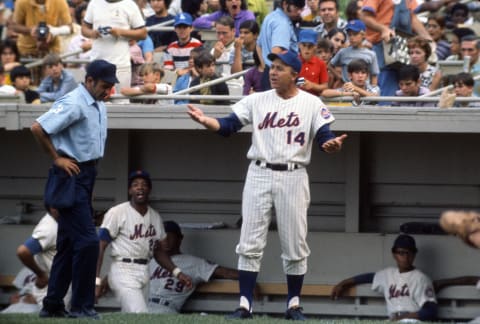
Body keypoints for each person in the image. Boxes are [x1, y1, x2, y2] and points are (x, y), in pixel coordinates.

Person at [187, 50, 347, 320]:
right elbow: (228, 126)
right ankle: (244, 305)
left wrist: (330, 145)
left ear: (294, 74)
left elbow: (324, 134)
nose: (273, 72)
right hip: (259, 172)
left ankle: (294, 305)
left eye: (280, 68)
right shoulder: (257, 99)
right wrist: (207, 122)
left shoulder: (310, 102)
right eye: (272, 67)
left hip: (294, 175)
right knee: (249, 242)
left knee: (295, 245)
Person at [30, 59, 118, 319]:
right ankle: (81, 306)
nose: (108, 91)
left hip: (86, 174)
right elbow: (38, 127)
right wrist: (57, 158)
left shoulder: (98, 103)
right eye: (104, 86)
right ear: (89, 80)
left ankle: (53, 304)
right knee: (89, 242)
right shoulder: (74, 102)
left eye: (111, 87)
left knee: (68, 244)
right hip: (70, 175)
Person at [95, 170, 192, 313]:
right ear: (130, 190)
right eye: (135, 185)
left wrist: (177, 273)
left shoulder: (155, 217)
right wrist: (96, 281)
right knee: (140, 314)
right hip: (123, 269)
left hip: (145, 271)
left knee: (132, 316)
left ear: (149, 190)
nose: (140, 187)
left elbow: (158, 252)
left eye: (144, 185)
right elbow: (100, 245)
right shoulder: (117, 212)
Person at [331, 234, 438, 321]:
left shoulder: (421, 279)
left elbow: (430, 311)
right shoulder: (387, 274)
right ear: (394, 254)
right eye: (401, 253)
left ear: (414, 254)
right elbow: (369, 277)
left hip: (412, 320)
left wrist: (403, 317)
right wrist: (343, 283)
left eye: (409, 253)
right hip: (393, 319)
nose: (405, 257)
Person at [148, 220, 239, 313]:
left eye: (169, 236)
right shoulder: (151, 261)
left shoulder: (193, 262)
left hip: (165, 308)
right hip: (142, 306)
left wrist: (248, 280)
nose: (165, 240)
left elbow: (226, 273)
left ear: (180, 238)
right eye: (162, 237)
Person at [360, 0, 433, 98]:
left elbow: (412, 17)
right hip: (383, 49)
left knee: (406, 85)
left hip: (403, 49)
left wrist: (428, 38)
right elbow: (365, 16)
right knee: (386, 89)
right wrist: (383, 29)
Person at [81, 0, 147, 103]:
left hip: (120, 65)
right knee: (93, 102)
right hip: (96, 63)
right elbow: (84, 28)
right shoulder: (94, 3)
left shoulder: (129, 4)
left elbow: (143, 33)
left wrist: (120, 32)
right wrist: (92, 33)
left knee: (121, 103)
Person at [256, 0, 305, 90]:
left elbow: (259, 46)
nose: (299, 12)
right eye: (296, 8)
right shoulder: (283, 24)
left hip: (269, 73)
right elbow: (277, 52)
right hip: (281, 78)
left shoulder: (270, 17)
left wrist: (266, 68)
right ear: (285, 4)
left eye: (301, 9)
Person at [329, 19, 379, 86]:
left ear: (363, 35)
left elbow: (374, 75)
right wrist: (340, 77)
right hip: (346, 90)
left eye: (355, 34)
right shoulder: (343, 52)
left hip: (364, 91)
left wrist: (373, 89)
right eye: (349, 35)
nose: (351, 37)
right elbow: (330, 65)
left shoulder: (371, 54)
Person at [297, 28, 328, 96]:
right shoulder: (293, 62)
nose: (307, 49)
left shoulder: (321, 64)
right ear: (299, 45)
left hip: (314, 100)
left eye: (310, 46)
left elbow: (325, 86)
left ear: (315, 46)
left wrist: (312, 86)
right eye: (304, 45)